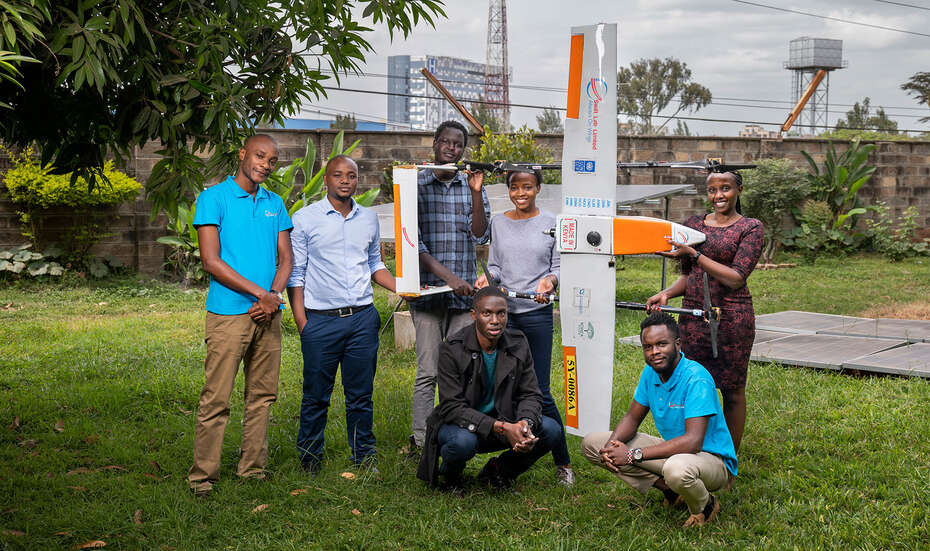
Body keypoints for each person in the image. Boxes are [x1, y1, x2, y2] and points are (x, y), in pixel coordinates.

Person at [187, 134, 293, 497]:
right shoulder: (213, 198)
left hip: (269, 314)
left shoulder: (275, 203)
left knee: (262, 396)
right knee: (217, 397)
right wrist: (260, 294)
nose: (265, 163)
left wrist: (274, 296)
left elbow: (287, 259)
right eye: (260, 156)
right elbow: (211, 262)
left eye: (272, 160)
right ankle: (203, 477)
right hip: (230, 314)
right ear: (242, 154)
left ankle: (253, 469)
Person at [286, 155, 396, 473]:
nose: (345, 180)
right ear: (326, 180)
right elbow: (297, 274)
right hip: (320, 321)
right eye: (338, 175)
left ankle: (363, 456)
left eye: (351, 175)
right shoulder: (306, 219)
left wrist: (401, 286)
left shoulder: (369, 219)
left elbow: (376, 265)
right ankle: (310, 459)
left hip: (362, 319)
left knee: (360, 395)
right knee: (316, 396)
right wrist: (302, 322)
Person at [581, 313, 738, 528]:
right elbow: (631, 417)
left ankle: (705, 505)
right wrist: (611, 448)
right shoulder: (651, 372)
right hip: (676, 452)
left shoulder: (696, 378)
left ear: (677, 344)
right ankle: (671, 491)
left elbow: (693, 442)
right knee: (593, 444)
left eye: (661, 344)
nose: (654, 352)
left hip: (710, 460)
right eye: (648, 346)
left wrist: (630, 455)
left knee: (677, 469)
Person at [646, 171, 763, 452]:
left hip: (732, 318)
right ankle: (691, 448)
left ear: (739, 190)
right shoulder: (694, 225)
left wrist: (695, 254)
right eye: (712, 190)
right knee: (693, 384)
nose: (718, 195)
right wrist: (667, 293)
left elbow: (736, 277)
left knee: (732, 391)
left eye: (725, 189)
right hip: (693, 317)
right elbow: (690, 275)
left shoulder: (750, 227)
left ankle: (727, 460)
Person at [475, 169, 574, 486]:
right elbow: (495, 266)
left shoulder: (551, 222)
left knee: (540, 392)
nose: (521, 192)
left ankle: (564, 464)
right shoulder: (499, 223)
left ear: (538, 189)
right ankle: (512, 449)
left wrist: (551, 280)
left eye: (527, 187)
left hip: (536, 315)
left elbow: (559, 267)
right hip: (503, 316)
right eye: (515, 187)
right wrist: (489, 279)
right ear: (509, 190)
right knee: (505, 388)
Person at [417, 286, 562, 490]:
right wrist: (501, 427)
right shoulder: (452, 348)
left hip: (506, 420)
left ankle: (499, 471)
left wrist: (524, 423)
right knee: (461, 443)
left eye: (501, 313)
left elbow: (530, 394)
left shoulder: (518, 342)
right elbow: (452, 407)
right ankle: (451, 476)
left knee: (551, 430)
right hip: (465, 426)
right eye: (487, 313)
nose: (495, 320)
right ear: (474, 315)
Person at [408, 120, 491, 454]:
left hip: (462, 300)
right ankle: (421, 439)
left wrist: (474, 192)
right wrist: (449, 280)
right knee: (428, 371)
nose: (451, 149)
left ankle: (455, 434)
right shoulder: (415, 184)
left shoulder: (470, 185)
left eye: (458, 145)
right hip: (429, 295)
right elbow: (416, 244)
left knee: (460, 372)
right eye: (446, 143)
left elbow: (480, 235)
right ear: (435, 143)